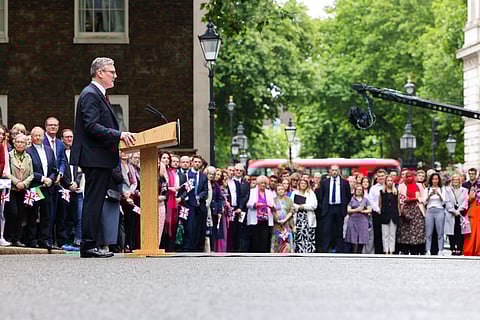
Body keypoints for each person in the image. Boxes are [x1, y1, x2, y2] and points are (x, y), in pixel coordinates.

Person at [71, 57, 136, 258]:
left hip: (99, 157)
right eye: (111, 71)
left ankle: (91, 244)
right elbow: (92, 126)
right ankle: (88, 245)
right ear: (100, 73)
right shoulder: (90, 94)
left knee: (95, 201)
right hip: (94, 157)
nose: (115, 75)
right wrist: (120, 135)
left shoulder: (99, 94)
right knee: (93, 201)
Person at [26, 126, 57, 249]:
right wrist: (42, 178)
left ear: (44, 136)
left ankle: (44, 239)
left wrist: (51, 178)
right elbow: (30, 170)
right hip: (36, 186)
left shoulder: (49, 150)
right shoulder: (28, 151)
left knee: (46, 213)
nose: (38, 137)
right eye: (35, 135)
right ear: (32, 137)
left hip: (48, 187)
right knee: (33, 214)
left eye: (40, 135)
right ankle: (32, 240)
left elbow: (55, 168)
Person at [5, 134, 33, 247]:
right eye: (18, 142)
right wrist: (16, 182)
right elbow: (6, 172)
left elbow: (31, 174)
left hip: (23, 190)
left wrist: (24, 184)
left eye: (22, 142)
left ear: (26, 144)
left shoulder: (28, 157)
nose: (20, 144)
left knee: (21, 214)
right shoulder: (9, 156)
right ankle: (8, 237)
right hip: (12, 188)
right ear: (14, 143)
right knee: (13, 212)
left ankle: (17, 238)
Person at [43, 116, 67, 248]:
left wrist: (61, 173)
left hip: (57, 182)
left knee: (57, 212)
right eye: (50, 125)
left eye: (55, 125)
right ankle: (47, 239)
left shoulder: (59, 143)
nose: (53, 127)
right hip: (45, 180)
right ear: (46, 126)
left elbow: (62, 160)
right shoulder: (42, 140)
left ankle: (57, 241)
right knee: (47, 212)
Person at [317, 164, 352, 253]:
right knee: (327, 230)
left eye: (336, 170)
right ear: (330, 171)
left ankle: (339, 250)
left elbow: (348, 196)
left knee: (339, 230)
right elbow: (321, 196)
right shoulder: (325, 182)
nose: (334, 172)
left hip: (340, 208)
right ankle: (325, 250)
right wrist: (323, 207)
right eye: (332, 170)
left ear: (339, 171)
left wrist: (345, 207)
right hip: (328, 209)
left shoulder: (344, 182)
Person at [59, 129, 84, 250]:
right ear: (62, 139)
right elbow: (60, 170)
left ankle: (75, 241)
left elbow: (80, 170)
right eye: (67, 137)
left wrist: (76, 182)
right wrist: (68, 184)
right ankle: (64, 241)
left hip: (76, 189)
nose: (69, 139)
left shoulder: (78, 152)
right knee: (64, 217)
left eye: (71, 137)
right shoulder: (60, 152)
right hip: (64, 189)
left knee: (76, 216)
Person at [183, 155, 208, 252]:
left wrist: (198, 197)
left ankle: (197, 247)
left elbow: (205, 191)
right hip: (188, 203)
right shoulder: (187, 174)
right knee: (189, 225)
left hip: (200, 204)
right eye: (195, 162)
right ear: (192, 163)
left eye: (199, 162)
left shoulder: (203, 176)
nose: (197, 163)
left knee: (199, 226)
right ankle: (187, 247)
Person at [397, 171, 425, 255]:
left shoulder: (419, 185)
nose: (409, 178)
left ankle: (415, 250)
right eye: (407, 176)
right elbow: (399, 198)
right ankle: (405, 250)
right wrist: (405, 201)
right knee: (405, 230)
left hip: (417, 209)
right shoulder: (401, 186)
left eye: (411, 176)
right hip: (405, 209)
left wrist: (415, 199)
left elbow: (423, 197)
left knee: (417, 230)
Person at [246, 175, 275, 253]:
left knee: (264, 238)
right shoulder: (252, 191)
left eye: (265, 183)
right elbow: (248, 204)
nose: (263, 185)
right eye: (261, 183)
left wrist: (271, 206)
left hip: (266, 219)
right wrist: (256, 205)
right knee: (255, 238)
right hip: (255, 218)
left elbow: (273, 204)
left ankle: (264, 254)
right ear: (258, 183)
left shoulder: (269, 193)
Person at [444, 174, 468, 255]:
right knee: (451, 232)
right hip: (451, 213)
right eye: (454, 179)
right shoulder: (447, 190)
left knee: (460, 232)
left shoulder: (464, 190)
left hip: (460, 213)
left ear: (460, 181)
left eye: (457, 179)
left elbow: (465, 201)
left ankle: (459, 248)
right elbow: (447, 202)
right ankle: (453, 248)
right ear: (452, 180)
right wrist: (454, 211)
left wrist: (459, 210)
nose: (456, 181)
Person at [292, 178, 318, 253]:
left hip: (308, 217)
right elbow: (291, 205)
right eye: (301, 183)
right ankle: (299, 251)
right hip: (298, 218)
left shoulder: (311, 193)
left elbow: (314, 205)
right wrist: (298, 207)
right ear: (299, 184)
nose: (303, 185)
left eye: (305, 183)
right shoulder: (294, 193)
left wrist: (303, 206)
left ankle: (309, 251)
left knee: (309, 235)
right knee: (298, 234)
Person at [423, 173, 446, 256]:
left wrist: (438, 194)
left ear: (438, 180)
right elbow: (424, 202)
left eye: (436, 179)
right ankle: (428, 250)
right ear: (431, 180)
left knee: (440, 232)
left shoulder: (442, 189)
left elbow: (444, 202)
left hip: (439, 210)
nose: (435, 181)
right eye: (433, 179)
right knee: (428, 233)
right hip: (429, 211)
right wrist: (430, 195)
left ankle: (440, 250)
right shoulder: (427, 189)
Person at [345, 185, 371, 253]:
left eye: (360, 189)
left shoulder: (365, 200)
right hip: (353, 220)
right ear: (355, 190)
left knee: (362, 238)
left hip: (362, 221)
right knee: (353, 237)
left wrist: (362, 211)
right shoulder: (352, 199)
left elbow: (369, 210)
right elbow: (348, 210)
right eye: (357, 189)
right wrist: (357, 210)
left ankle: (360, 253)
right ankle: (353, 252)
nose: (359, 191)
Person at [205, 166, 224, 252]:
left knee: (213, 231)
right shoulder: (203, 182)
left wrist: (219, 210)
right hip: (204, 210)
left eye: (213, 174)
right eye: (210, 174)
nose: (211, 176)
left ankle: (212, 249)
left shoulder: (215, 185)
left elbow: (220, 198)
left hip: (214, 210)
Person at [379, 176, 400, 254]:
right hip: (384, 215)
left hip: (394, 214)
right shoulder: (382, 192)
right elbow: (380, 204)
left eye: (391, 180)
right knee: (385, 234)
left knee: (392, 234)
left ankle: (391, 250)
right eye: (388, 180)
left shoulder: (396, 192)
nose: (389, 182)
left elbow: (398, 204)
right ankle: (386, 250)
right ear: (385, 182)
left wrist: (398, 213)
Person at [271, 184, 294, 253]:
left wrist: (285, 219)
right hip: (277, 224)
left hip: (286, 223)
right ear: (276, 191)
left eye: (282, 189)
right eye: (279, 189)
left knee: (287, 239)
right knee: (276, 239)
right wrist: (277, 220)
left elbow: (292, 211)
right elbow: (272, 211)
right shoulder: (273, 200)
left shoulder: (289, 200)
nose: (281, 191)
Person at [369, 169, 387, 254]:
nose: (381, 178)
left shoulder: (389, 186)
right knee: (377, 232)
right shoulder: (373, 188)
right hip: (377, 213)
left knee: (386, 233)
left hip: (387, 212)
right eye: (379, 176)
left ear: (385, 177)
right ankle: (378, 251)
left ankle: (386, 251)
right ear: (377, 178)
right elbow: (371, 200)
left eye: (382, 176)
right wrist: (378, 209)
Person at [0, 126, 8, 246]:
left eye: (2, 134)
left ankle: (1, 236)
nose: (1, 136)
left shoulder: (1, 147)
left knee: (1, 211)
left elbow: (2, 162)